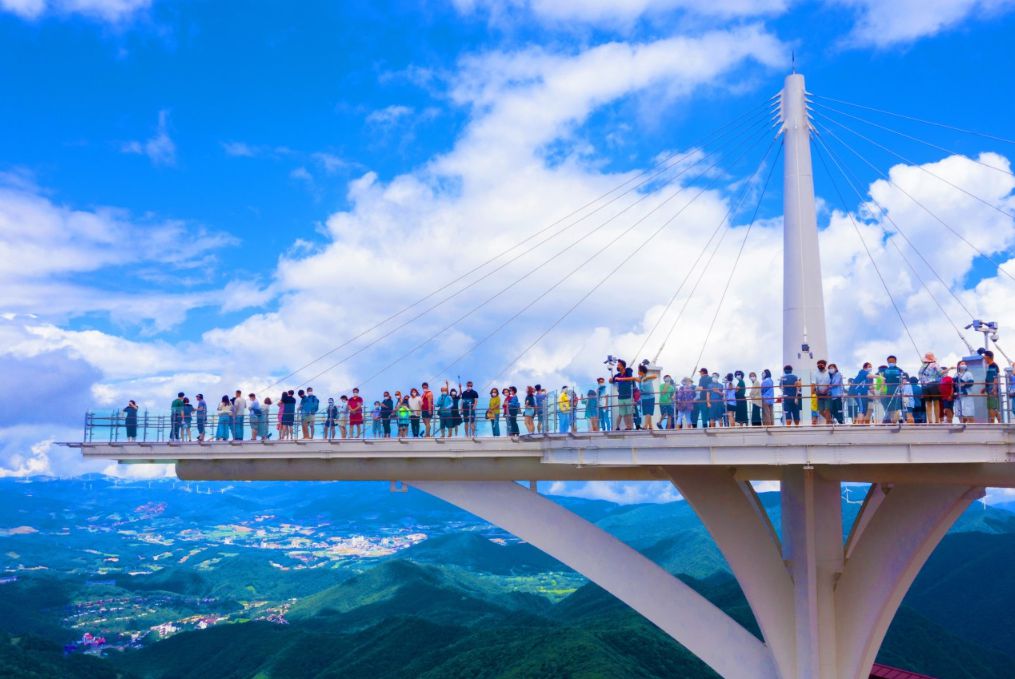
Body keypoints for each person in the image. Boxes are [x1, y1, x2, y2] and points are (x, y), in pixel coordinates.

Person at [610, 359, 636, 431]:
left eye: (618, 365)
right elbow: (612, 380)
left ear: (622, 366)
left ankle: (630, 426)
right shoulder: (617, 375)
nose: (617, 366)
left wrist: (620, 379)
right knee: (623, 413)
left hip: (628, 396)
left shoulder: (628, 371)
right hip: (620, 397)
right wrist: (611, 379)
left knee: (629, 413)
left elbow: (630, 379)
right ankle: (627, 426)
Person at [918, 353, 943, 424]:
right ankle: (937, 420)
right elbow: (941, 373)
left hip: (925, 386)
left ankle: (930, 420)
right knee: (936, 402)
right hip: (934, 385)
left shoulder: (922, 366)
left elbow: (920, 376)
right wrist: (949, 369)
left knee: (928, 403)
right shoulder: (935, 365)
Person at [883, 356, 903, 424]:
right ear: (887, 362)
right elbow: (883, 381)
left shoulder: (900, 370)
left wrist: (901, 387)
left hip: (897, 390)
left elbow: (902, 381)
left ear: (895, 361)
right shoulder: (885, 371)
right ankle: (893, 421)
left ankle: (895, 420)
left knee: (897, 406)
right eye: (889, 361)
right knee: (890, 406)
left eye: (892, 361)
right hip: (888, 390)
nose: (891, 362)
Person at [637, 364, 657, 430]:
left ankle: (645, 426)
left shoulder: (648, 378)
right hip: (644, 397)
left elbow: (655, 376)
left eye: (639, 370)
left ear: (642, 371)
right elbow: (640, 389)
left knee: (648, 412)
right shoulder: (640, 379)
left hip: (650, 397)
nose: (638, 372)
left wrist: (646, 378)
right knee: (646, 413)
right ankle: (650, 426)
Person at [984, 350, 1001, 423]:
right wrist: (984, 388)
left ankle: (992, 424)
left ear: (988, 357)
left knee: (991, 407)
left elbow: (995, 378)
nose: (984, 359)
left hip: (992, 389)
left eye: (984, 357)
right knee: (994, 407)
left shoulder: (993, 366)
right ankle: (1000, 422)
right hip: (990, 388)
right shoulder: (990, 366)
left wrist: (994, 389)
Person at [814, 360, 831, 424]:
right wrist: (816, 391)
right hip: (819, 394)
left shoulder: (829, 373)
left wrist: (826, 389)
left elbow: (831, 382)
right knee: (821, 411)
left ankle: (828, 423)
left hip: (828, 393)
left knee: (827, 409)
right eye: (818, 365)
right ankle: (830, 421)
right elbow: (814, 383)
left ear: (824, 365)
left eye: (821, 364)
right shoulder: (815, 373)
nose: (819, 366)